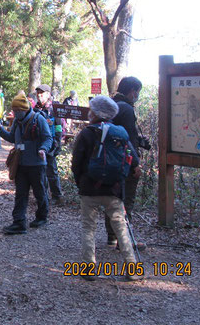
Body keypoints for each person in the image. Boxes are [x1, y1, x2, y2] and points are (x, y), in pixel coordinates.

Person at [71, 95, 142, 281]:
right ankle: (132, 269)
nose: (89, 112)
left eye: (91, 109)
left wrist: (81, 183)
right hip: (114, 189)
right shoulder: (121, 133)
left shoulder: (87, 133)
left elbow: (76, 163)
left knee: (89, 228)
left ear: (95, 113)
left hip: (89, 189)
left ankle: (89, 269)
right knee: (121, 228)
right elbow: (133, 159)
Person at [0, 92, 52, 234]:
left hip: (36, 164)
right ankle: (19, 222)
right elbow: (12, 137)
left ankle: (42, 216)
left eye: (17, 111)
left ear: (24, 110)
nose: (15, 113)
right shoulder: (17, 121)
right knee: (21, 194)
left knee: (40, 192)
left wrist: (43, 149)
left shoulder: (38, 119)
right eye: (14, 111)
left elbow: (48, 138)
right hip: (20, 163)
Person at [105, 77, 144, 247]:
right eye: (138, 91)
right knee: (126, 200)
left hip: (109, 161)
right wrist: (135, 164)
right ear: (132, 90)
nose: (137, 95)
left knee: (112, 198)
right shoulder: (127, 109)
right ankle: (124, 241)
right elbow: (127, 139)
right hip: (125, 162)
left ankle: (112, 237)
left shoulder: (111, 106)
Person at [34, 84, 64, 205]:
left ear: (48, 94)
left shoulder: (54, 108)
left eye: (41, 94)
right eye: (38, 94)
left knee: (52, 170)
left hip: (52, 143)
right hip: (39, 143)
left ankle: (57, 196)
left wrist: (57, 142)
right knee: (41, 171)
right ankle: (43, 196)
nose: (39, 96)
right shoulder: (36, 109)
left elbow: (59, 127)